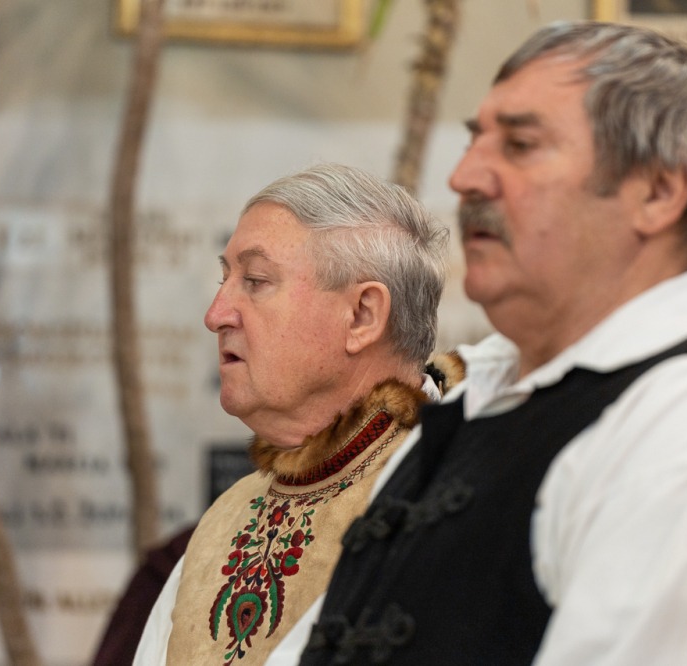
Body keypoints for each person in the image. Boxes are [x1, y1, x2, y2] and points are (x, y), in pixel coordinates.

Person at [290, 21, 687, 665]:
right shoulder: (484, 389)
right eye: (475, 140)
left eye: (520, 145)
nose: (464, 176)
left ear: (657, 192)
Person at [132, 162, 457, 664]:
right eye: (225, 278)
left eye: (256, 280)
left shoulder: (448, 502)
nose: (216, 315)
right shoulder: (224, 521)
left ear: (362, 316)